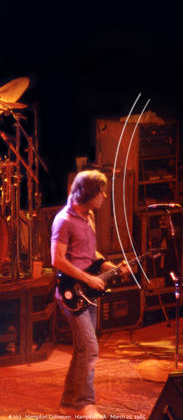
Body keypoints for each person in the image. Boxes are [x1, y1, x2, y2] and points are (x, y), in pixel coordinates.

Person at [52, 170, 126, 417]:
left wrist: (109, 267)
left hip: (88, 292)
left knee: (83, 350)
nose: (104, 196)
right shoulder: (64, 220)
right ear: (88, 194)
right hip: (71, 294)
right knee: (90, 348)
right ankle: (85, 403)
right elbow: (57, 259)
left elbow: (88, 253)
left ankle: (68, 403)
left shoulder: (89, 217)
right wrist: (88, 279)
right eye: (101, 192)